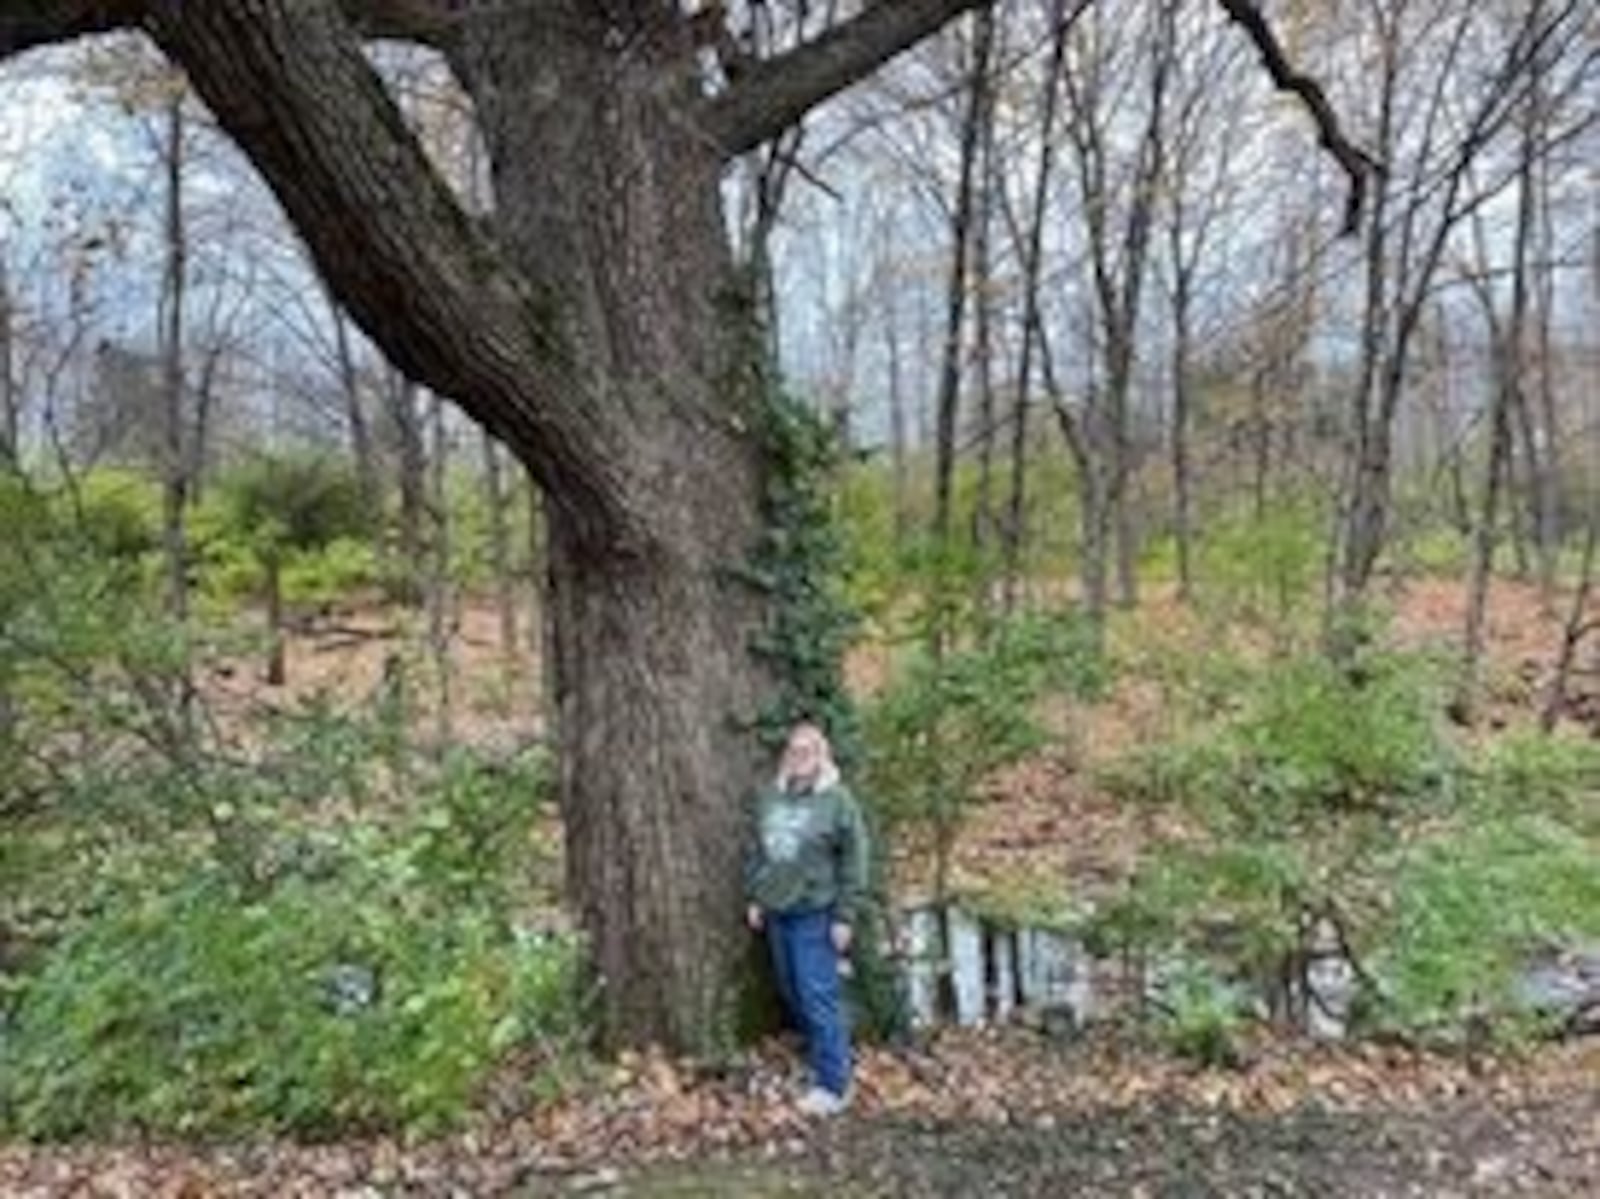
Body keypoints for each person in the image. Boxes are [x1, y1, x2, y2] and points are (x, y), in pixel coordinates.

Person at [744, 721, 869, 1116]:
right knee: (793, 992)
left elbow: (855, 859)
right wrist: (756, 896)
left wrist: (845, 916)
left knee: (819, 997)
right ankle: (821, 1064)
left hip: (817, 914)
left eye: (808, 751)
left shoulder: (837, 801)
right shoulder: (772, 797)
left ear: (821, 757)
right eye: (794, 751)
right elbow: (761, 852)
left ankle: (835, 1085)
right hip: (778, 913)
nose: (799, 758)